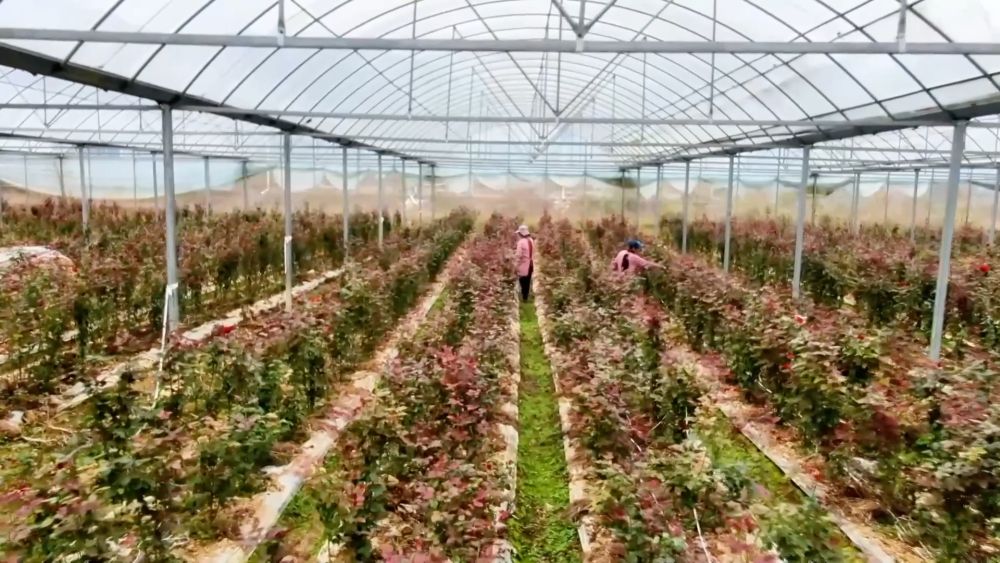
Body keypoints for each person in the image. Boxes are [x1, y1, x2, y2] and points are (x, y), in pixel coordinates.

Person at [515, 224, 534, 301]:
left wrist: (516, 264)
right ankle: (526, 297)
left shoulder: (521, 242)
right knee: (528, 281)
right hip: (531, 264)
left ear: (520, 234)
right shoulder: (531, 240)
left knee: (522, 281)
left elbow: (519, 255)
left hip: (523, 264)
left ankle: (523, 297)